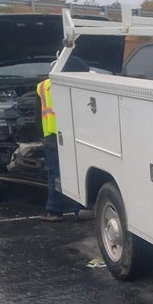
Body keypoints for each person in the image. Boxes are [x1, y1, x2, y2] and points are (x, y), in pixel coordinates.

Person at [36, 78, 92, 222]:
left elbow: (38, 115)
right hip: (75, 134)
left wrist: (41, 135)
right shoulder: (80, 82)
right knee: (78, 171)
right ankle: (81, 209)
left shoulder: (43, 86)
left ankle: (54, 211)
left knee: (54, 174)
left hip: (53, 136)